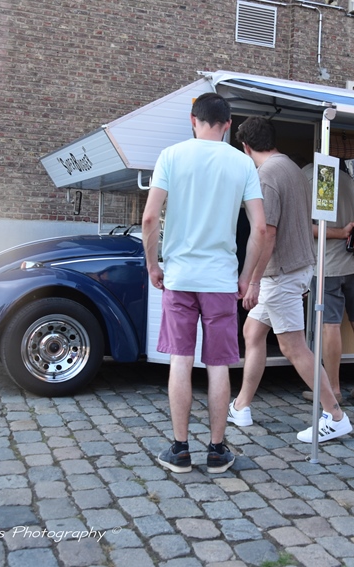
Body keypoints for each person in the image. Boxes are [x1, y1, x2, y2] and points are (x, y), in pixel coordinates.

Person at [142, 93, 266, 474]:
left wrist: (153, 265)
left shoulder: (171, 156)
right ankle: (216, 450)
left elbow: (149, 219)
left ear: (192, 120)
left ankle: (180, 450)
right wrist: (245, 276)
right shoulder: (242, 163)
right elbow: (260, 228)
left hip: (180, 276)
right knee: (218, 364)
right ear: (228, 125)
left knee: (180, 359)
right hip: (220, 280)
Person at [228, 117, 352, 443]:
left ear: (246, 147)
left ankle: (335, 416)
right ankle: (240, 406)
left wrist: (254, 281)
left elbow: (267, 233)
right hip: (293, 268)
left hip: (280, 273)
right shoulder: (292, 168)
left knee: (293, 346)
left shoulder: (266, 176)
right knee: (252, 332)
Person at [300, 160, 354, 403]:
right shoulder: (347, 179)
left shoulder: (305, 178)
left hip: (328, 264)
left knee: (330, 325)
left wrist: (340, 233)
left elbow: (304, 227)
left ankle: (333, 390)